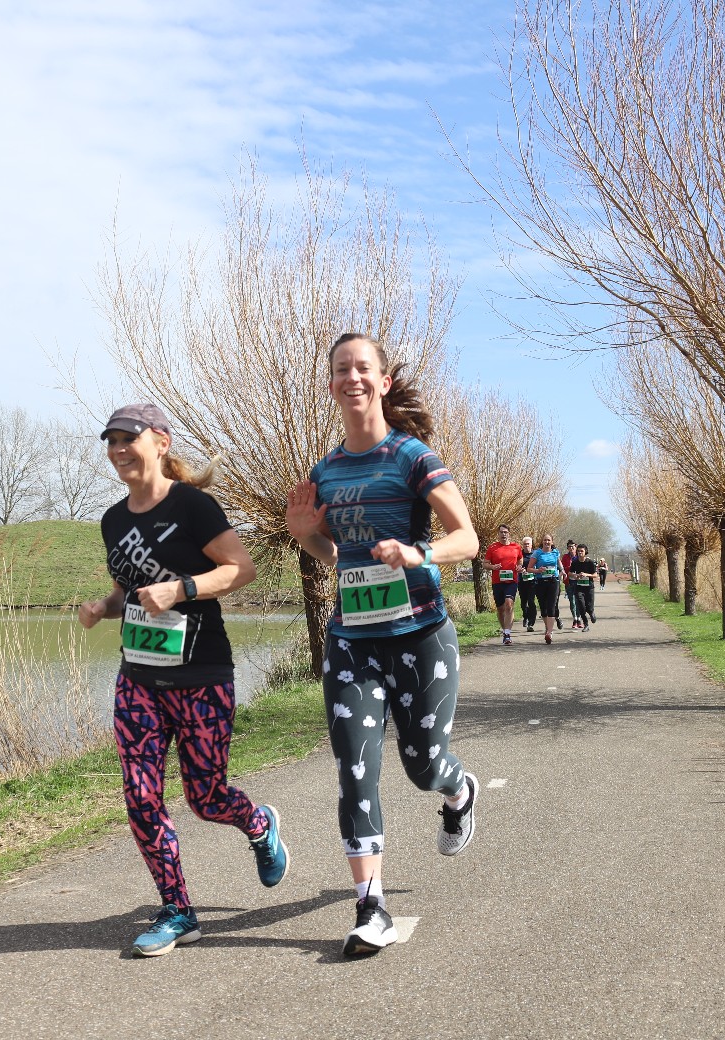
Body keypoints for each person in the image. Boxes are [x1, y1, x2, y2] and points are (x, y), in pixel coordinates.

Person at [286, 332, 482, 958]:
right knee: (355, 770)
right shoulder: (325, 472)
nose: (353, 377)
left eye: (363, 368)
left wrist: (417, 553)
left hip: (420, 636)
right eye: (342, 369)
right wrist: (305, 533)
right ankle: (370, 907)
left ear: (383, 381)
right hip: (352, 642)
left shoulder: (411, 457)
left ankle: (458, 789)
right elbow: (333, 554)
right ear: (331, 384)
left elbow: (467, 538)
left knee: (423, 766)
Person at [77, 402, 289, 958]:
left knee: (206, 797)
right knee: (141, 796)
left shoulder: (193, 505)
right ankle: (177, 910)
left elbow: (240, 569)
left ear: (160, 442)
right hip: (139, 680)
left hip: (202, 676)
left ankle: (258, 824)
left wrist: (182, 589)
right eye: (110, 440)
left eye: (128, 438)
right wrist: (103, 606)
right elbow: (129, 590)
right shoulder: (113, 520)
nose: (118, 449)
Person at [484, 523, 524, 645]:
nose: (503, 534)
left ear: (509, 534)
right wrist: (493, 567)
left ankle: (507, 634)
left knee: (509, 604)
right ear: (498, 534)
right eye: (501, 532)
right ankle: (504, 630)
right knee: (500, 609)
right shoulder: (492, 548)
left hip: (511, 581)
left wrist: (519, 566)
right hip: (497, 582)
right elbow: (485, 564)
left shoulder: (516, 547)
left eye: (505, 532)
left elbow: (520, 559)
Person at [530, 533, 565, 644]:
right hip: (540, 582)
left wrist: (563, 571)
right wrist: (538, 570)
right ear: (542, 541)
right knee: (543, 608)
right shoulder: (537, 553)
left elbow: (559, 564)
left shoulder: (555, 552)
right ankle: (548, 627)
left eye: (549, 540)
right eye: (545, 540)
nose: (547, 542)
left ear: (552, 542)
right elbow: (529, 568)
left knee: (551, 606)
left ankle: (549, 632)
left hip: (553, 581)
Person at [569, 544, 598, 630]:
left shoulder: (590, 562)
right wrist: (575, 575)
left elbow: (595, 575)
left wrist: (586, 575)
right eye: (578, 551)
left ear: (585, 552)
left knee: (589, 606)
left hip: (589, 587)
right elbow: (570, 573)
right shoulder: (575, 562)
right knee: (581, 606)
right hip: (579, 587)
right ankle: (586, 624)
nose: (580, 553)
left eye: (581, 551)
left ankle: (591, 613)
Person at [518, 535, 539, 632]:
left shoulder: (535, 554)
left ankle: (531, 622)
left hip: (533, 581)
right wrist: (520, 569)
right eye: (525, 544)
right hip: (522, 581)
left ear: (531, 545)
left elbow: (539, 565)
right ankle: (525, 616)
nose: (526, 546)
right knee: (523, 602)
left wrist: (533, 571)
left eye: (528, 544)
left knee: (531, 601)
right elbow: (516, 565)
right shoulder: (520, 555)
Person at [559, 539, 578, 629]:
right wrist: (569, 568)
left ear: (575, 547)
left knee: (579, 601)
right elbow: (562, 568)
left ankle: (579, 618)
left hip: (578, 581)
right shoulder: (565, 557)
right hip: (569, 581)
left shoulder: (579, 555)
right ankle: (575, 619)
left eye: (572, 546)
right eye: (569, 547)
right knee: (572, 601)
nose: (571, 548)